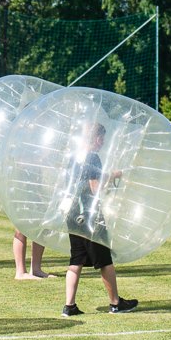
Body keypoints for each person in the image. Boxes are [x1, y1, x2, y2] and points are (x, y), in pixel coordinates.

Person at [60, 121, 138, 317]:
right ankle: (115, 303)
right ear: (95, 138)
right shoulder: (92, 157)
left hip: (72, 214)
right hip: (90, 216)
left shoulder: (72, 158)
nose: (103, 142)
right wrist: (113, 176)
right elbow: (95, 187)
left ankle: (69, 306)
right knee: (104, 259)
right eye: (102, 138)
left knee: (76, 260)